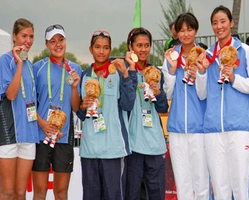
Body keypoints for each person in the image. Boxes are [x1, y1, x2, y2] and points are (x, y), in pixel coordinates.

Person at [195, 5, 249, 200]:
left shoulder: (245, 52)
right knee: (220, 188)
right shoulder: (208, 55)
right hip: (213, 130)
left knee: (240, 187)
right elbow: (201, 94)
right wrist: (201, 72)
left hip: (238, 129)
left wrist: (235, 79)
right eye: (215, 23)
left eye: (223, 21)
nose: (219, 26)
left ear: (231, 24)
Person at [76, 30, 136, 200]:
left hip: (113, 148)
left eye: (105, 48)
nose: (101, 51)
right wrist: (82, 105)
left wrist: (125, 74)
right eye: (97, 47)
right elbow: (80, 114)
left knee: (113, 195)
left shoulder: (118, 72)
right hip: (89, 149)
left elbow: (128, 104)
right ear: (90, 49)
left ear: (110, 50)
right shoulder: (84, 75)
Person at [162, 13, 209, 199]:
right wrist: (172, 70)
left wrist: (199, 72)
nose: (186, 34)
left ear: (195, 30)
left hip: (199, 129)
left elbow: (204, 94)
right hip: (177, 129)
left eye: (189, 29)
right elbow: (167, 94)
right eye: (182, 30)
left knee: (201, 182)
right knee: (182, 183)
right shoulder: (171, 57)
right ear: (176, 33)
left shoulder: (205, 56)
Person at [32, 24, 82, 200]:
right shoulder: (37, 68)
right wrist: (41, 123)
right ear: (46, 44)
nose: (57, 44)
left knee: (61, 193)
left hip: (63, 136)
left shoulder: (75, 69)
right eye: (52, 41)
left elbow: (76, 108)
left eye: (61, 40)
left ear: (65, 41)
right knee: (39, 192)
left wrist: (75, 87)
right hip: (40, 135)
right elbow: (29, 104)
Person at [0, 18, 39, 199]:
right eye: (24, 36)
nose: (27, 40)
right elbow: (11, 95)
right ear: (14, 37)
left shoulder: (31, 65)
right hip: (8, 133)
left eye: (31, 36)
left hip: (28, 133)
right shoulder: (5, 60)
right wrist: (19, 63)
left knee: (21, 193)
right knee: (8, 192)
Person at [125, 27, 168, 200]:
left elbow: (163, 108)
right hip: (133, 144)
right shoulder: (125, 73)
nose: (143, 50)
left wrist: (158, 94)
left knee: (156, 193)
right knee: (133, 194)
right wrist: (133, 70)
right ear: (131, 47)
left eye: (147, 45)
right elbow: (125, 104)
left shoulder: (157, 73)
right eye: (139, 45)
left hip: (155, 144)